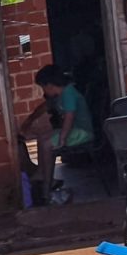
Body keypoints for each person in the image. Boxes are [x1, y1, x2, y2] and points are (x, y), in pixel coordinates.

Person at [21, 64, 94, 205]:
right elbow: (45, 107)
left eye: (43, 87)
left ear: (49, 85)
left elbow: (69, 116)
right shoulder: (59, 95)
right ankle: (44, 174)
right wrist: (29, 120)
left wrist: (62, 138)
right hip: (73, 130)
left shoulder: (68, 93)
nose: (43, 91)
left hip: (82, 132)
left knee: (48, 143)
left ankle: (46, 188)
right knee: (43, 137)